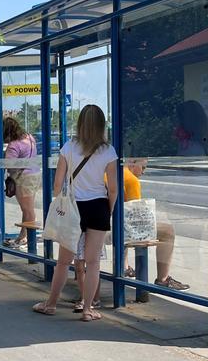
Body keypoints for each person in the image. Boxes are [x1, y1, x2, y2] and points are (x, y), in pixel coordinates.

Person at [33, 104, 118, 322]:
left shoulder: (69, 147)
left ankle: (51, 304)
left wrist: (61, 200)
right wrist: (109, 209)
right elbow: (114, 188)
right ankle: (88, 309)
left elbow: (57, 184)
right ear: (101, 125)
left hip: (74, 207)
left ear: (80, 124)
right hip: (99, 206)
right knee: (93, 262)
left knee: (63, 261)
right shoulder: (108, 151)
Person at [120, 158, 189, 290]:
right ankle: (163, 279)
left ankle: (124, 267)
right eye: (143, 167)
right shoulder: (131, 180)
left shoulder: (110, 171)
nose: (143, 172)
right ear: (132, 162)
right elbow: (135, 213)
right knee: (168, 231)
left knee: (122, 222)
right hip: (116, 228)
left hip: (100, 225)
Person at [3, 117, 40, 248]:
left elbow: (9, 165)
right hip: (34, 175)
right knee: (27, 209)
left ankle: (27, 240)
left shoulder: (14, 145)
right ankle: (22, 236)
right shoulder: (30, 137)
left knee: (28, 210)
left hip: (23, 178)